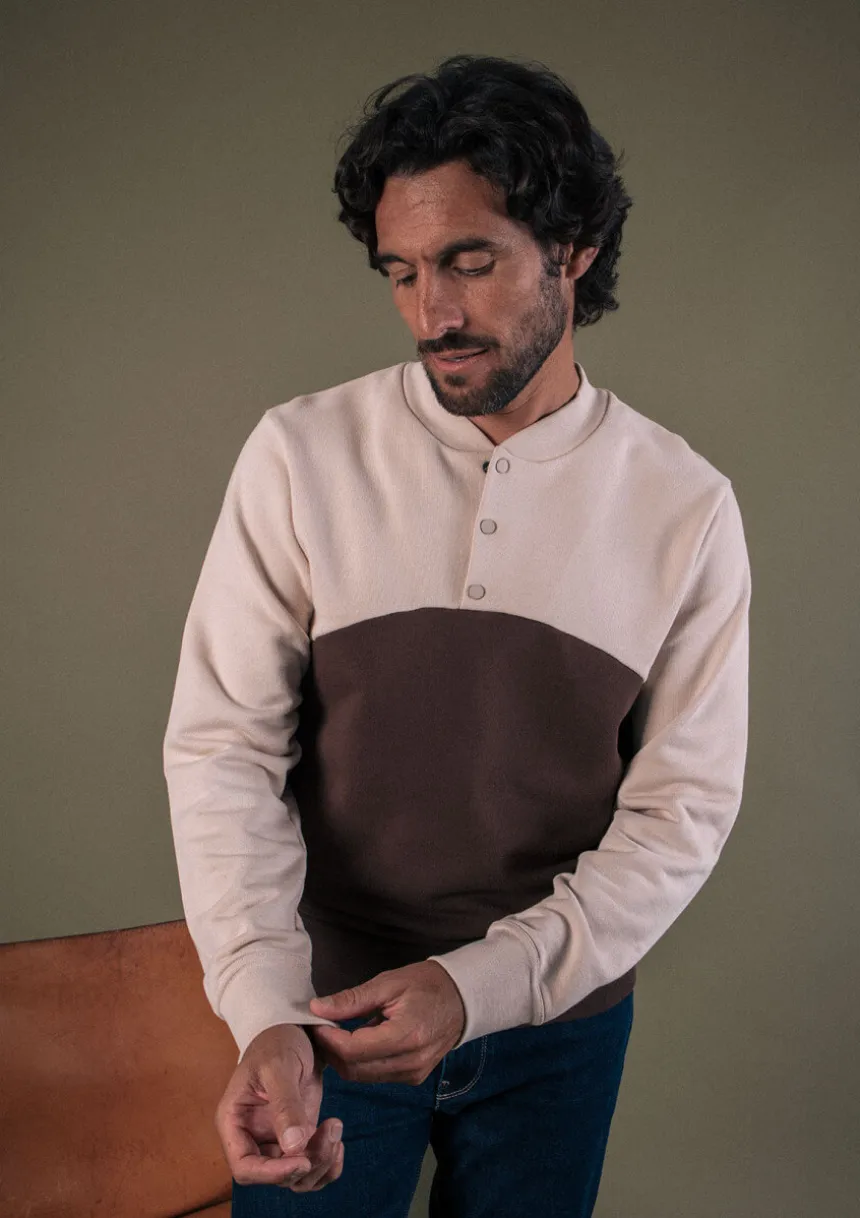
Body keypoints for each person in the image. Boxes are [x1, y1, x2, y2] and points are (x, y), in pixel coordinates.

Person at [162, 53, 751, 1217]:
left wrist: (480, 985)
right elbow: (222, 749)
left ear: (571, 250)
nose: (431, 312)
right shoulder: (301, 454)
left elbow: (680, 815)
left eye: (468, 262)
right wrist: (264, 1008)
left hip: (556, 1029)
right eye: (402, 271)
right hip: (323, 1017)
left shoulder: (683, 506)